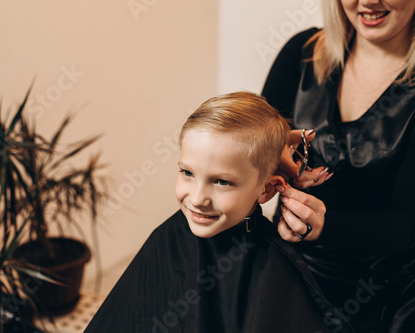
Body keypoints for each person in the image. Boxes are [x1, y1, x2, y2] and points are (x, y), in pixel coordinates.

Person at [85, 92, 354, 333]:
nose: (197, 199)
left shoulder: (269, 268)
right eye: (187, 173)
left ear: (268, 189)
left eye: (221, 181)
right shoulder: (170, 236)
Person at [261, 1, 415, 332]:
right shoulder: (301, 54)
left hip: (387, 296)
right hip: (285, 271)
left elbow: (407, 223)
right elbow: (248, 160)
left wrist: (325, 225)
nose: (369, 1)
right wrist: (262, 157)